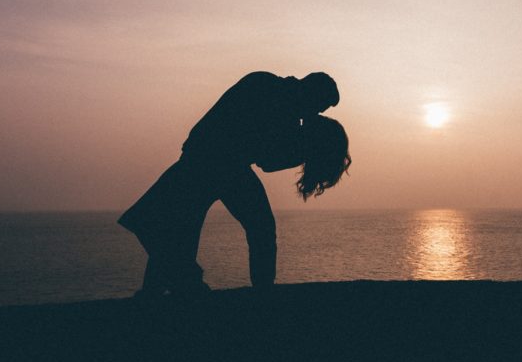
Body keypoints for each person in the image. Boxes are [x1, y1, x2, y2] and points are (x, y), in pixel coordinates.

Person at [118, 72, 350, 299]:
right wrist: (303, 148)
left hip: (222, 164)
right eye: (318, 107)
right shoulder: (270, 92)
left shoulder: (279, 101)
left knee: (182, 229)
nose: (314, 114)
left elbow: (267, 159)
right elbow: (267, 160)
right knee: (247, 228)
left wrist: (302, 145)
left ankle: (160, 290)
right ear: (310, 94)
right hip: (212, 162)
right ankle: (251, 290)